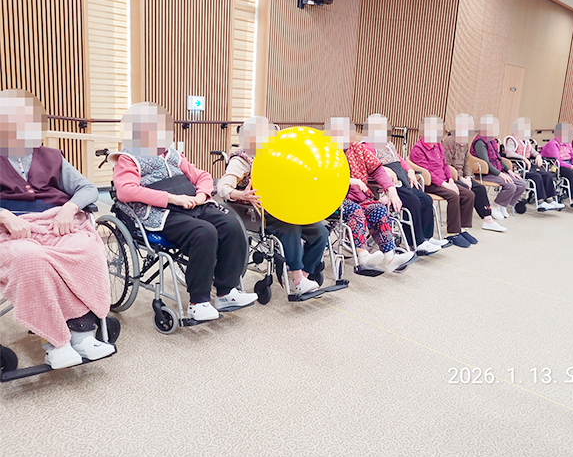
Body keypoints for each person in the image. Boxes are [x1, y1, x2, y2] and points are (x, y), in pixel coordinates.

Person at [0, 89, 114, 369]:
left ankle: (82, 333)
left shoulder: (51, 156)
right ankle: (55, 342)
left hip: (54, 223)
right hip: (11, 231)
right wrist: (3, 215)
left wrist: (69, 208)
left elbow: (87, 188)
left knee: (85, 249)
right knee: (31, 259)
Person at [110, 102, 254, 322]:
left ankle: (226, 292)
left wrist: (201, 195)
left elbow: (203, 176)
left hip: (191, 203)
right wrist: (172, 198)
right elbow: (126, 191)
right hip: (160, 212)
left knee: (231, 225)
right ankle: (198, 303)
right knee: (204, 233)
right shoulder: (128, 158)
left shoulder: (173, 155)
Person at [216, 116, 328, 295]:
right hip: (260, 213)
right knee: (290, 228)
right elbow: (222, 188)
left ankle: (304, 275)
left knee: (321, 231)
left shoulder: (276, 155)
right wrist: (242, 194)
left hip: (285, 207)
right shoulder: (242, 160)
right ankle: (298, 278)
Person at [361, 113, 449, 255]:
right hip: (388, 184)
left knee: (426, 199)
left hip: (402, 179)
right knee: (413, 202)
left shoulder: (388, 144)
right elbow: (369, 166)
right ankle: (417, 242)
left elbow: (400, 160)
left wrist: (410, 171)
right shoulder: (366, 147)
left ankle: (427, 237)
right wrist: (385, 169)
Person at [337, 116, 414, 272]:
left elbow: (377, 169)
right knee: (355, 210)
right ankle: (363, 255)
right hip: (336, 199)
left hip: (359, 197)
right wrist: (349, 180)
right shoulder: (329, 152)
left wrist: (391, 190)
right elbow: (324, 176)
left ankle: (390, 258)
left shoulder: (358, 149)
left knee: (378, 208)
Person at [410, 115, 477, 247]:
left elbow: (445, 165)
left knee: (469, 194)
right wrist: (445, 184)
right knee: (453, 196)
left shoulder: (438, 145)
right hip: (430, 183)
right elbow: (427, 172)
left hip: (444, 180)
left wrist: (451, 180)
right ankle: (453, 233)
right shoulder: (418, 149)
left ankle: (462, 229)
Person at [442, 113, 506, 232]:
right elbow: (446, 165)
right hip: (450, 177)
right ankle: (462, 225)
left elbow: (466, 162)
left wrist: (468, 177)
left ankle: (488, 219)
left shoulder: (465, 142)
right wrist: (461, 178)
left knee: (480, 188)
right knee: (467, 190)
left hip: (462, 176)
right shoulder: (449, 142)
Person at [468, 114, 527, 220]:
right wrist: (500, 174)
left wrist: (509, 171)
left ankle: (503, 205)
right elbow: (486, 163)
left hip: (497, 170)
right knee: (511, 186)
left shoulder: (492, 140)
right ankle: (495, 205)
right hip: (486, 173)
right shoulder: (480, 142)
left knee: (522, 184)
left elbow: (498, 158)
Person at [504, 117, 564, 212]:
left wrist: (538, 156)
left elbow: (533, 152)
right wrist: (523, 158)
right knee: (537, 176)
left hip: (528, 168)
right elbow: (509, 153)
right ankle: (540, 202)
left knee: (547, 175)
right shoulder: (512, 140)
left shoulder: (526, 141)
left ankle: (550, 200)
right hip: (518, 169)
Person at [540, 122, 573, 209]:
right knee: (569, 172)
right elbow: (557, 161)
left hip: (569, 164)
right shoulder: (552, 144)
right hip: (555, 166)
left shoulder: (568, 144)